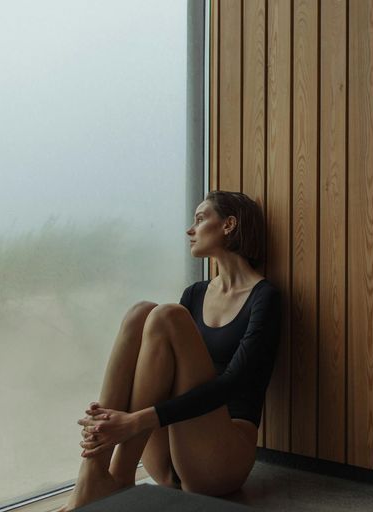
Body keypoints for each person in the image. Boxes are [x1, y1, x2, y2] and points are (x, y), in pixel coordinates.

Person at [59, 191, 281, 511]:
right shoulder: (195, 293)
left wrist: (135, 421)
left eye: (201, 219)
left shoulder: (266, 298)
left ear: (229, 225)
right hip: (168, 454)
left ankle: (118, 478)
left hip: (222, 456)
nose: (190, 230)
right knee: (142, 312)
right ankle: (94, 476)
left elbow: (233, 383)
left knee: (165, 315)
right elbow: (162, 369)